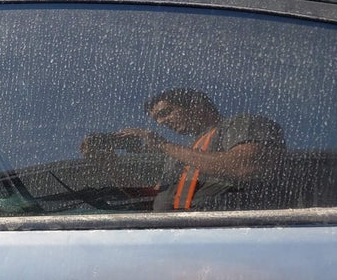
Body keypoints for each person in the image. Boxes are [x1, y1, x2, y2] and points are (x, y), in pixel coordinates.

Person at [84, 89, 286, 211]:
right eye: (157, 119)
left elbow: (245, 166)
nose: (161, 122)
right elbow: (148, 201)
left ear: (196, 105)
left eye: (165, 112)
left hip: (225, 232)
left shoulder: (240, 124)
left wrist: (162, 144)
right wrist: (108, 164)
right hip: (170, 236)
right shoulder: (181, 154)